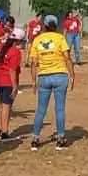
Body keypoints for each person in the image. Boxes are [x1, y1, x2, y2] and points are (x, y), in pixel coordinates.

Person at [29, 15, 75, 151]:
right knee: (59, 108)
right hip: (60, 75)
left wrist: (33, 80)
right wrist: (72, 74)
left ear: (44, 25)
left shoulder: (37, 39)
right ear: (56, 25)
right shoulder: (60, 38)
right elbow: (67, 58)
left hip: (43, 76)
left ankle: (35, 138)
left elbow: (33, 62)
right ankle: (61, 138)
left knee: (41, 110)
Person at [0, 27, 23, 139]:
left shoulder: (1, 47)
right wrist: (15, 86)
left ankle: (1, 129)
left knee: (1, 105)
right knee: (7, 106)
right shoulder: (15, 51)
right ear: (18, 40)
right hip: (8, 81)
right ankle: (4, 132)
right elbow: (12, 70)